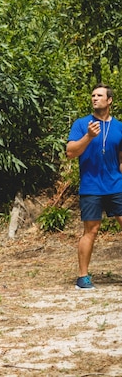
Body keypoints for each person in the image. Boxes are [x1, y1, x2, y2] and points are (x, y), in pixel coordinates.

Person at [66, 84, 122, 289]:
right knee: (91, 230)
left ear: (109, 101)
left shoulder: (119, 127)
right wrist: (89, 136)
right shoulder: (81, 124)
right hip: (91, 187)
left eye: (99, 95)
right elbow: (71, 152)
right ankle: (83, 277)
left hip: (117, 185)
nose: (94, 98)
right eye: (92, 95)